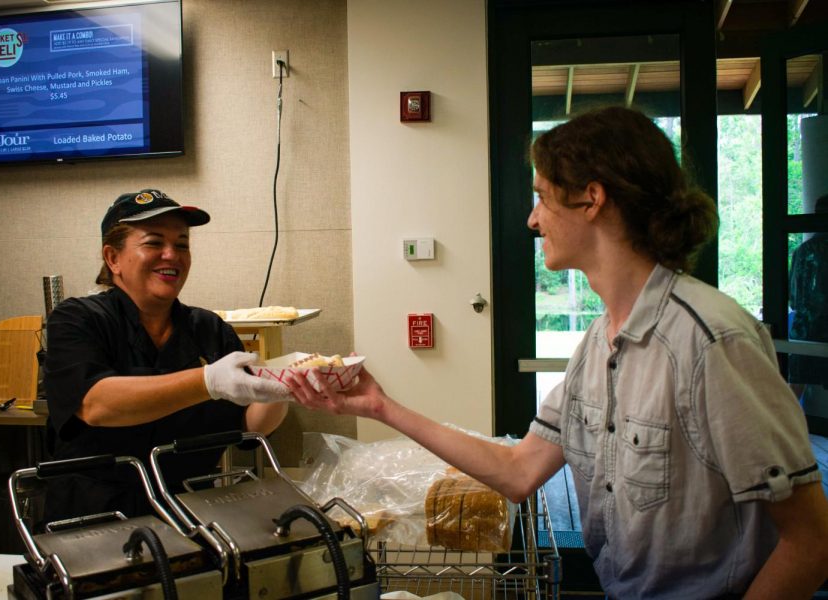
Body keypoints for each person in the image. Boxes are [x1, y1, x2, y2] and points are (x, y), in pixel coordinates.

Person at [287, 107, 828, 598]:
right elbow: (518, 470)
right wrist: (381, 406)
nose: (532, 218)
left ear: (591, 199)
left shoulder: (712, 341)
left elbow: (811, 543)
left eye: (542, 195)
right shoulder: (597, 346)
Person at [43, 188, 290, 523]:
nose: (172, 255)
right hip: (95, 517)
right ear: (113, 258)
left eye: (182, 244)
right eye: (154, 242)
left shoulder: (207, 327)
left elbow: (248, 427)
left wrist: (283, 388)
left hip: (193, 511)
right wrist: (208, 381)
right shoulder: (79, 319)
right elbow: (96, 404)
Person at [788, 194, 828, 402]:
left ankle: (785, 429)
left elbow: (794, 299)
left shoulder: (803, 251)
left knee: (796, 386)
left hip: (806, 330)